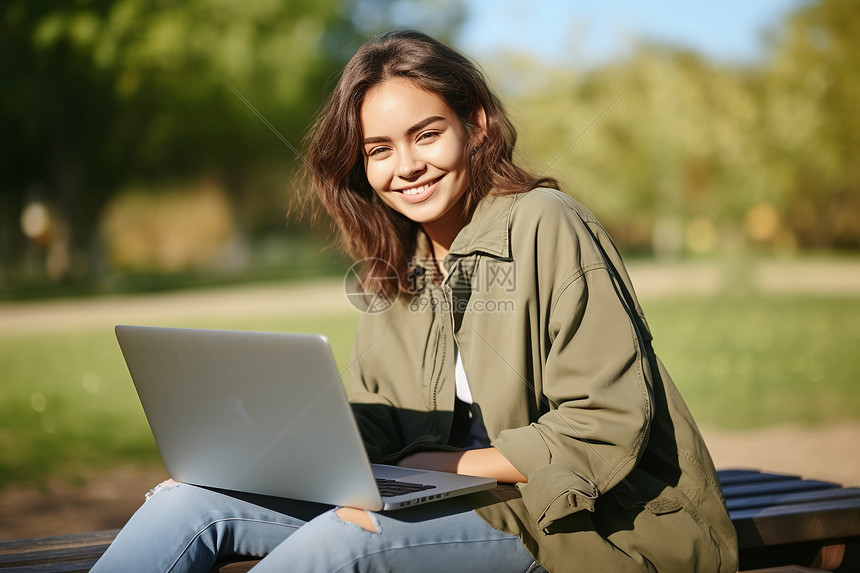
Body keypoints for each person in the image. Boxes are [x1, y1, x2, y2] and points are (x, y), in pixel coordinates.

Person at [92, 30, 738, 572]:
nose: (405, 166)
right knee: (187, 504)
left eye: (425, 134)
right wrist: (242, 465)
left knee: (342, 545)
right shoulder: (397, 263)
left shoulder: (546, 222)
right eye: (379, 150)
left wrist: (447, 464)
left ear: (476, 124)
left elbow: (605, 421)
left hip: (580, 519)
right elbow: (377, 429)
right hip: (436, 493)